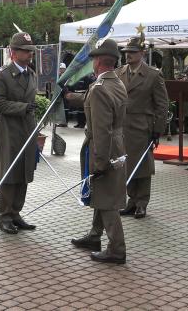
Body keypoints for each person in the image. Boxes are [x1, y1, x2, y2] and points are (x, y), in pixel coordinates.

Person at [68, 39, 128, 264]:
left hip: (104, 147)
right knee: (102, 193)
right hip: (118, 143)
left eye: (93, 58)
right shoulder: (117, 83)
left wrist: (100, 161)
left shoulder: (100, 89)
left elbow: (101, 130)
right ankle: (94, 236)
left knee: (108, 200)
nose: (92, 62)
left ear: (100, 61)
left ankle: (117, 248)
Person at [0, 32, 37, 234]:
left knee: (24, 173)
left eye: (30, 51)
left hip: (27, 130)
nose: (29, 55)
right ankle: (5, 217)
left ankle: (16, 213)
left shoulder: (32, 74)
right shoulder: (3, 74)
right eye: (25, 51)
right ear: (13, 52)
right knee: (9, 175)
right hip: (9, 132)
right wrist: (23, 107)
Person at [116, 35, 168, 219]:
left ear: (142, 53)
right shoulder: (119, 73)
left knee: (143, 167)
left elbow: (162, 105)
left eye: (132, 52)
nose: (128, 55)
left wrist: (157, 130)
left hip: (141, 127)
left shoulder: (153, 75)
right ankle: (131, 201)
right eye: (126, 52)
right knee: (126, 164)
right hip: (122, 127)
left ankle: (142, 203)